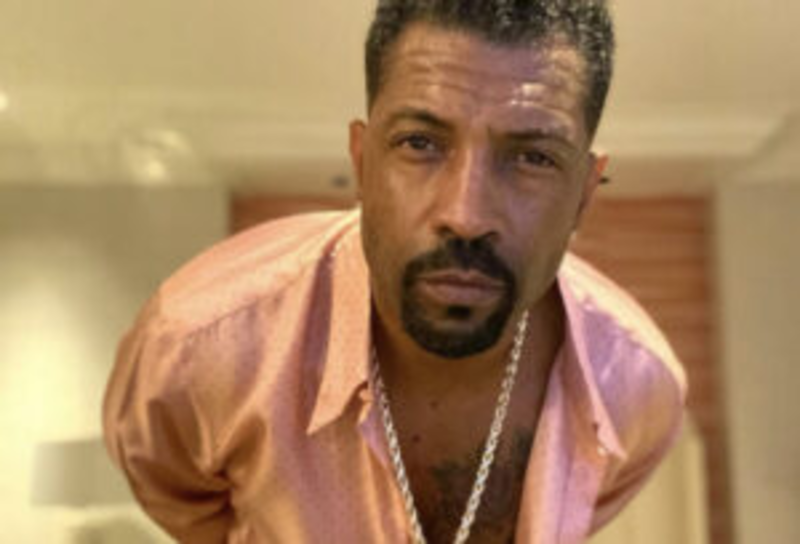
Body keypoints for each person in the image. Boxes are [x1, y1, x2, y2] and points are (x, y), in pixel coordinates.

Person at [103, 1, 687, 543]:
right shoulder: (198, 348)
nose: (465, 215)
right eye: (420, 143)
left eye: (533, 157)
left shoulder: (636, 387)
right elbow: (184, 506)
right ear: (362, 161)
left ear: (584, 192)